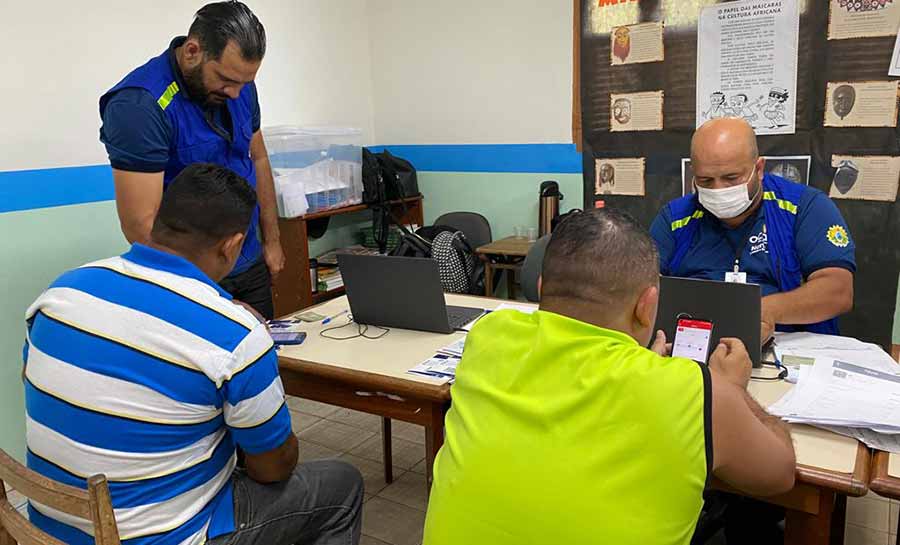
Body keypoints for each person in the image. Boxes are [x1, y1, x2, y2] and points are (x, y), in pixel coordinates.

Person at [23, 164, 363, 545]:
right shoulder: (235, 335)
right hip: (162, 537)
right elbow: (273, 469)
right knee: (340, 484)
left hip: (48, 524)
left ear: (160, 223)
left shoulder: (64, 292)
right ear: (232, 245)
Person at [423, 208, 796, 545]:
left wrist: (643, 367)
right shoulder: (693, 390)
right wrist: (729, 389)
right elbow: (780, 476)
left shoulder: (489, 335)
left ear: (540, 288)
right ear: (647, 305)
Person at [99, 1, 284, 319]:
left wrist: (273, 240)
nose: (237, 94)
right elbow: (139, 225)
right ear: (192, 51)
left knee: (262, 357)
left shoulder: (239, 86)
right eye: (226, 80)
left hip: (246, 258)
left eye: (245, 82)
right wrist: (203, 293)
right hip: (191, 279)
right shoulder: (140, 106)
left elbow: (259, 158)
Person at [651, 118, 854, 343]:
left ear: (759, 169)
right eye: (705, 180)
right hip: (694, 342)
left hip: (785, 342)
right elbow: (643, 287)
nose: (718, 189)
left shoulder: (804, 208)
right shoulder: (675, 218)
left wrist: (761, 311)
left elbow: (838, 291)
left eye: (731, 178)